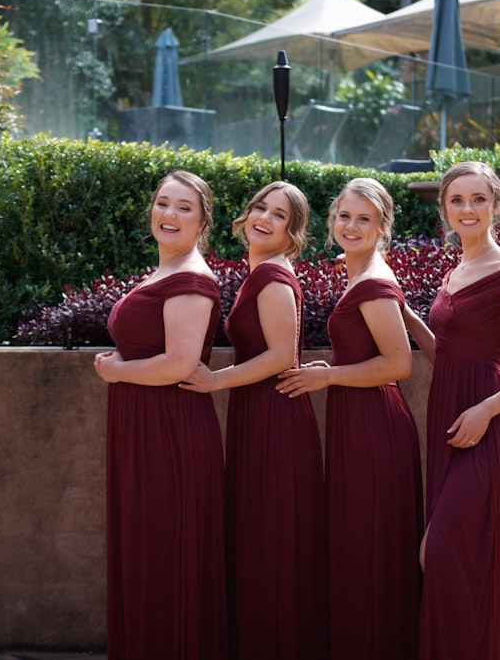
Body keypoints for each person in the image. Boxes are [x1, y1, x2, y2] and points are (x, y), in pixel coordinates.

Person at [403, 161, 500, 660]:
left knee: (443, 553)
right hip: (447, 417)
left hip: (484, 426)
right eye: (457, 200)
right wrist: (403, 311)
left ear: (495, 206)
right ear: (444, 209)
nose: (467, 209)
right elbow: (443, 356)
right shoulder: (454, 273)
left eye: (478, 199)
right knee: (458, 559)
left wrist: (486, 411)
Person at [277, 177, 423, 660]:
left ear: (383, 227)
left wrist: (329, 378)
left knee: (370, 549)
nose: (352, 225)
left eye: (365, 218)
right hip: (357, 420)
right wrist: (333, 373)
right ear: (332, 220)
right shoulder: (359, 273)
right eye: (344, 216)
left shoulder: (375, 282)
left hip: (373, 428)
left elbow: (399, 365)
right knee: (358, 547)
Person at [181, 181, 325, 660]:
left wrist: (214, 382)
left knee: (274, 544)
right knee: (259, 542)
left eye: (279, 215)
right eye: (260, 207)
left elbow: (283, 355)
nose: (264, 218)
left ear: (292, 232)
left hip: (275, 419)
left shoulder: (272, 278)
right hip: (255, 415)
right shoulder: (258, 272)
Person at [93, 170, 227, 660]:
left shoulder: (191, 280)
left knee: (165, 555)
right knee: (146, 551)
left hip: (169, 434)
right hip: (141, 428)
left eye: (184, 207)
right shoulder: (162, 272)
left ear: (202, 220)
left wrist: (117, 373)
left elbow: (180, 363)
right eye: (163, 204)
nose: (169, 215)